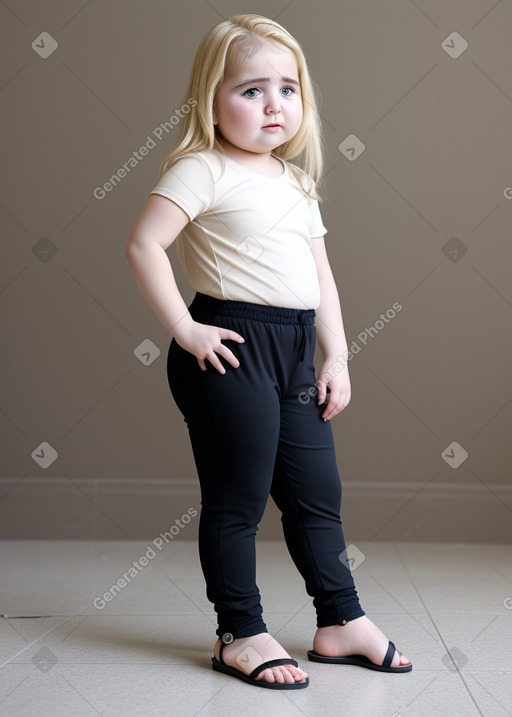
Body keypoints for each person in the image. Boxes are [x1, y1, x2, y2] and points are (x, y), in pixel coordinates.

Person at [125, 13, 412, 690]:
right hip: (228, 345)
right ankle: (239, 630)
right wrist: (186, 330)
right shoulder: (201, 169)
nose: (274, 104)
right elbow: (143, 245)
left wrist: (336, 356)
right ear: (211, 102)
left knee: (318, 493)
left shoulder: (293, 180)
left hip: (292, 352)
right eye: (251, 90)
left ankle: (340, 619)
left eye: (288, 88)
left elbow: (321, 277)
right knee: (240, 494)